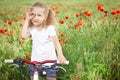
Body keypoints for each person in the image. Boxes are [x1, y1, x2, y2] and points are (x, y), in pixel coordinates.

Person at [21, 2, 67, 80]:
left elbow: (56, 42)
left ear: (45, 17)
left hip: (49, 64)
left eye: (39, 15)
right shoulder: (32, 28)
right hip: (35, 63)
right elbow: (23, 36)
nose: (35, 18)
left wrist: (60, 54)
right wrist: (27, 19)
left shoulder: (49, 28)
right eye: (33, 15)